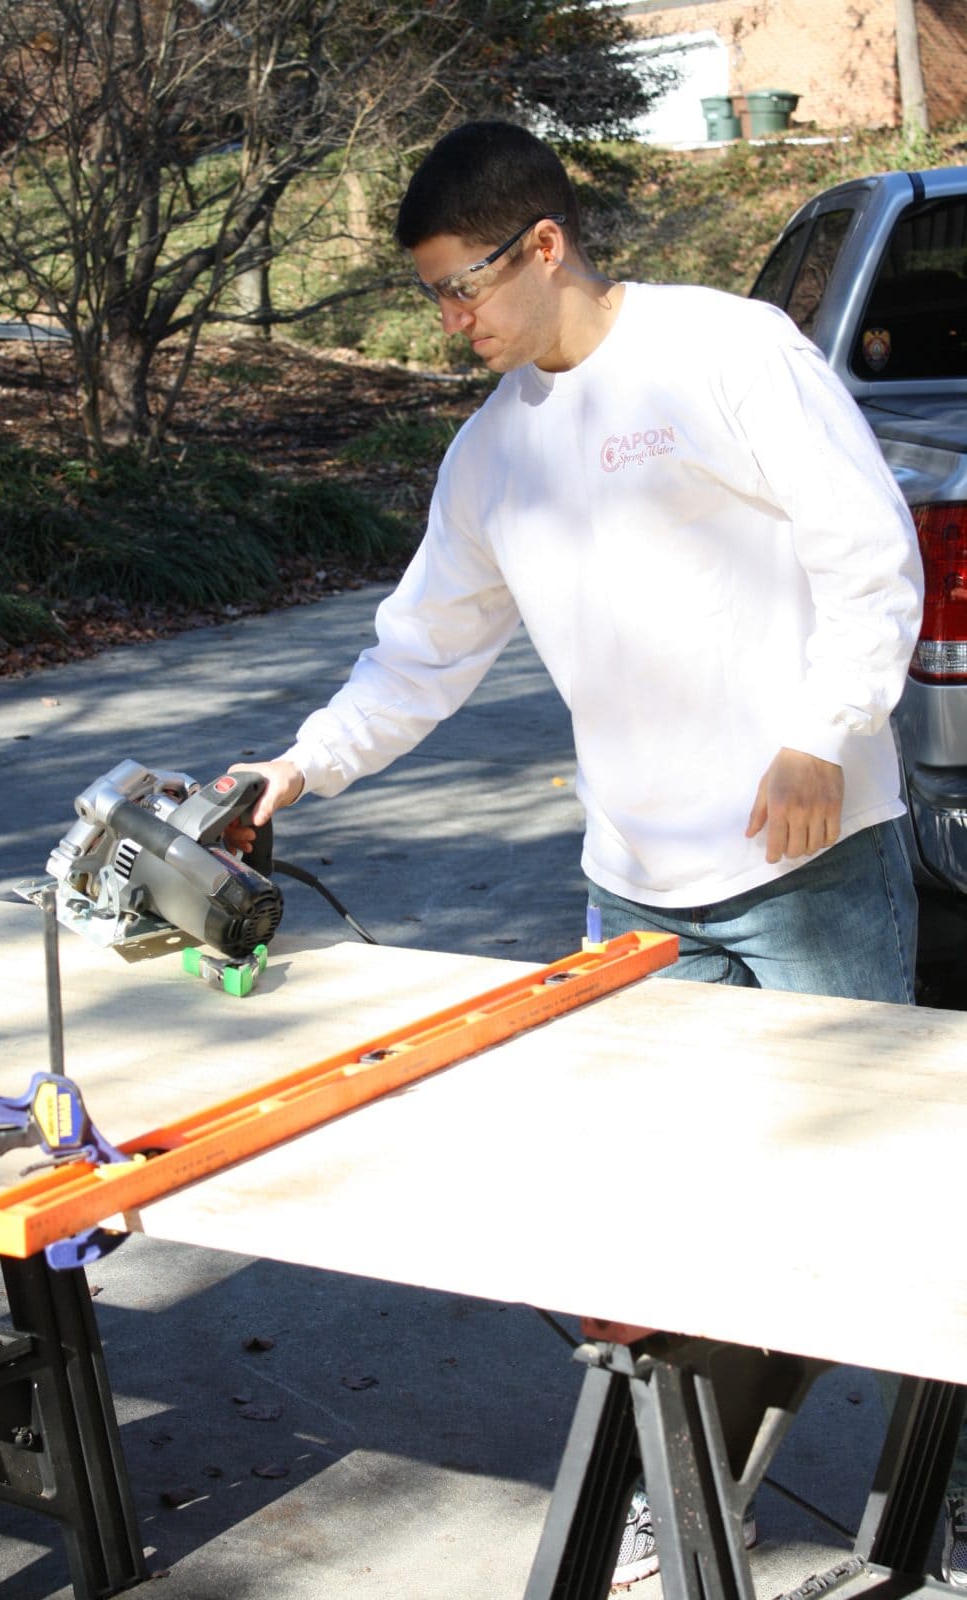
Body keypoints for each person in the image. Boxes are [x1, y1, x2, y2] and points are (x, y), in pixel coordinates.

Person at [226, 122, 958, 1585]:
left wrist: (825, 729)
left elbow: (868, 545)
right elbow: (417, 656)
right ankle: (691, 1503)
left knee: (868, 1208)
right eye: (434, 297)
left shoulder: (726, 351)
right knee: (655, 1226)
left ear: (541, 244)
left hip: (808, 857)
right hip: (636, 888)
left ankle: (935, 1490)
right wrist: (297, 765)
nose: (455, 323)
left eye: (462, 288)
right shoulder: (495, 450)